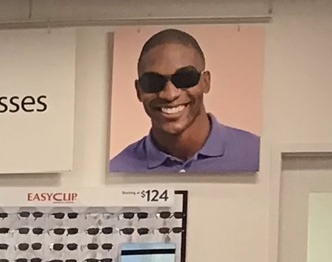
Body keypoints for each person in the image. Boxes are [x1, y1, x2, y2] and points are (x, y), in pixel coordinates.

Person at [109, 29, 261, 175]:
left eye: (185, 78)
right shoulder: (117, 171)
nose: (170, 95)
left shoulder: (256, 156)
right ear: (139, 91)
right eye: (153, 81)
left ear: (206, 82)